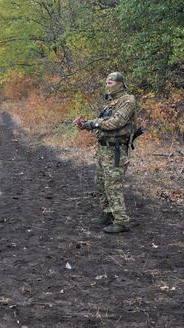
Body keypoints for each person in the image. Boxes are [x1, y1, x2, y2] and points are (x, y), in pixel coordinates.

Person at [74, 72, 138, 234]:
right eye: (106, 83)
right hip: (103, 149)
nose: (107, 85)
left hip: (115, 150)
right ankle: (108, 213)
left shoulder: (127, 101)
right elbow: (101, 122)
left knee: (113, 185)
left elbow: (117, 122)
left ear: (119, 83)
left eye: (110, 82)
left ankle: (122, 221)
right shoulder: (111, 103)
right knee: (101, 182)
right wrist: (85, 124)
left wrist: (96, 123)